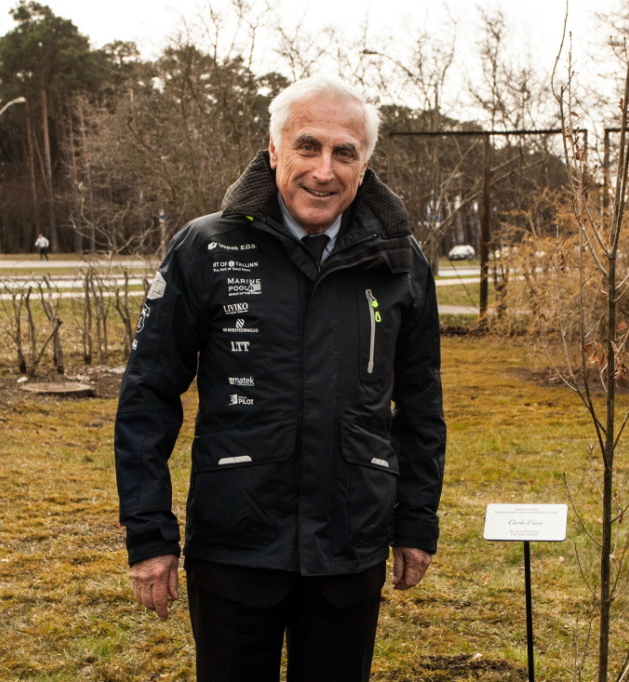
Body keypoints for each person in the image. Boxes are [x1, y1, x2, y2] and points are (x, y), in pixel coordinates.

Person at [114, 75, 446, 682]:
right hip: (235, 544)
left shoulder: (400, 264)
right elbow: (147, 397)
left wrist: (417, 521)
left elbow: (421, 405)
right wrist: (150, 534)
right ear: (273, 152)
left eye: (345, 153)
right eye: (308, 146)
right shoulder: (205, 247)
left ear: (364, 164)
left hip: (349, 547)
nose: (325, 170)